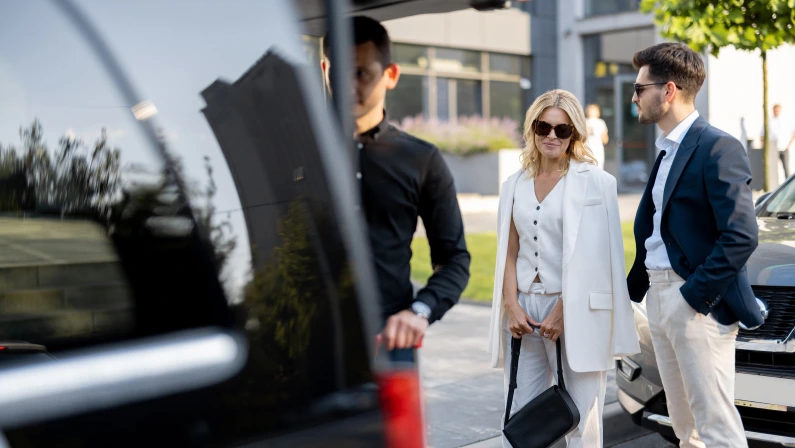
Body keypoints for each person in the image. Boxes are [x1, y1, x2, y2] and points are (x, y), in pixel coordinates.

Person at [626, 43, 761, 448]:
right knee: (687, 429)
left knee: (716, 426)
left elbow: (741, 235)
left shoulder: (717, 147)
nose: (633, 96)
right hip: (660, 298)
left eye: (639, 88)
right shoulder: (667, 150)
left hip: (694, 305)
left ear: (667, 91)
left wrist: (693, 296)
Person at [488, 89, 640, 448]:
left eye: (562, 129)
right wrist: (512, 307)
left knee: (582, 422)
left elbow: (603, 259)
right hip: (524, 310)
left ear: (575, 134)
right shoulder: (514, 185)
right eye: (544, 127)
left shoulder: (597, 183)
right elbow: (508, 252)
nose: (552, 136)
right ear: (532, 129)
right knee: (522, 418)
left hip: (576, 311)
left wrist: (563, 312)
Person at [322, 16, 470, 364]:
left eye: (361, 73)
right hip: (307, 345)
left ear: (390, 75)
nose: (349, 86)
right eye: (339, 73)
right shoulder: (295, 151)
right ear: (325, 68)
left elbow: (454, 259)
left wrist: (419, 311)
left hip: (388, 346)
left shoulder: (422, 159)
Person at [761, 104, 795, 179]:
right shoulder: (769, 121)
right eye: (775, 110)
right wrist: (764, 146)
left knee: (786, 168)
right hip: (772, 149)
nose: (776, 112)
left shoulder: (786, 121)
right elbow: (762, 135)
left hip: (784, 148)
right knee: (772, 169)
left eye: (777, 110)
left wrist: (789, 144)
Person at [585, 104, 608, 168]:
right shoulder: (584, 122)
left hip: (598, 149)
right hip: (586, 149)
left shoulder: (601, 122)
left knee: (598, 166)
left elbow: (605, 139)